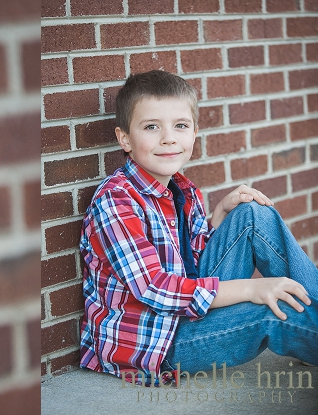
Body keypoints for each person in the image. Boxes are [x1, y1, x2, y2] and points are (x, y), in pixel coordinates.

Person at [79, 69, 318, 386]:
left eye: (180, 125)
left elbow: (190, 264)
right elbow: (155, 288)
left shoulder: (184, 190)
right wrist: (253, 289)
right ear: (125, 138)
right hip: (158, 343)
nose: (169, 138)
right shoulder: (115, 202)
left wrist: (218, 216)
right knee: (271, 312)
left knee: (252, 214)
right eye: (152, 127)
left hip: (185, 313)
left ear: (194, 134)